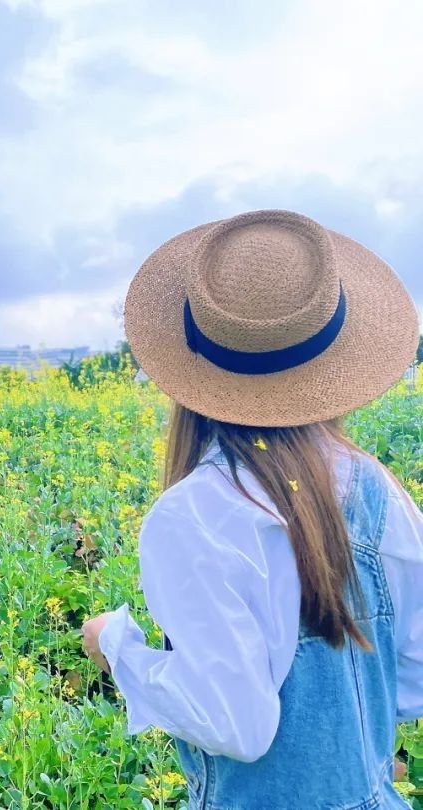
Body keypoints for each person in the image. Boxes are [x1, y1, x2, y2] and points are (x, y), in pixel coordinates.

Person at [79, 209, 422, 808]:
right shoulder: (377, 488)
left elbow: (235, 726)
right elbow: (413, 669)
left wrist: (117, 646)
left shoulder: (197, 516)